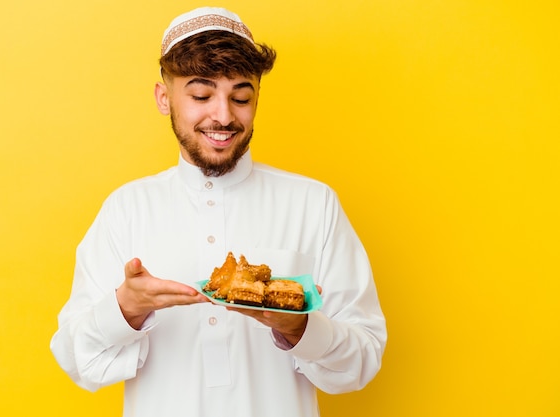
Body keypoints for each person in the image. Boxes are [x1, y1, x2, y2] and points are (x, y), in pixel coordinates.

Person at [50, 7, 386, 417]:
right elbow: (74, 359)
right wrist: (126, 309)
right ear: (164, 98)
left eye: (241, 97)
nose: (224, 116)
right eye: (201, 95)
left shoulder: (313, 204)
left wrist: (299, 327)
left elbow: (364, 360)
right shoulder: (126, 209)